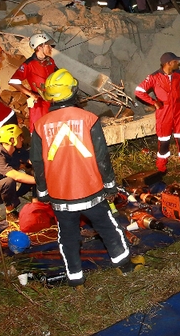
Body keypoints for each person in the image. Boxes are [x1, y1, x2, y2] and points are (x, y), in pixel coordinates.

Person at [31, 69, 136, 288]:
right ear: (72, 91)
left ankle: (75, 277)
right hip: (90, 189)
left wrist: (42, 191)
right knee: (108, 227)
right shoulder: (88, 118)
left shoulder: (40, 125)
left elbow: (37, 162)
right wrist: (110, 185)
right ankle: (124, 264)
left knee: (67, 236)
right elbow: (101, 156)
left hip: (60, 195)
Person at [135, 52, 180, 173]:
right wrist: (153, 102)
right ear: (168, 63)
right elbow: (139, 91)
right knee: (164, 140)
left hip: (178, 108)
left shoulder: (179, 74)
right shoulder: (154, 77)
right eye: (175, 61)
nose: (177, 63)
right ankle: (161, 168)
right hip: (164, 111)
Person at [9, 32, 59, 132]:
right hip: (39, 103)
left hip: (53, 101)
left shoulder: (50, 61)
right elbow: (13, 81)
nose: (51, 48)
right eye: (48, 45)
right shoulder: (29, 64)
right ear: (39, 47)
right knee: (39, 129)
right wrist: (31, 94)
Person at [0, 124, 35, 217]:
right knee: (9, 180)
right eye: (20, 137)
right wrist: (40, 181)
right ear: (12, 140)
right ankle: (10, 211)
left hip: (9, 189)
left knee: (32, 174)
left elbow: (33, 161)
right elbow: (15, 176)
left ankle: (35, 201)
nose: (22, 139)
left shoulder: (17, 151)